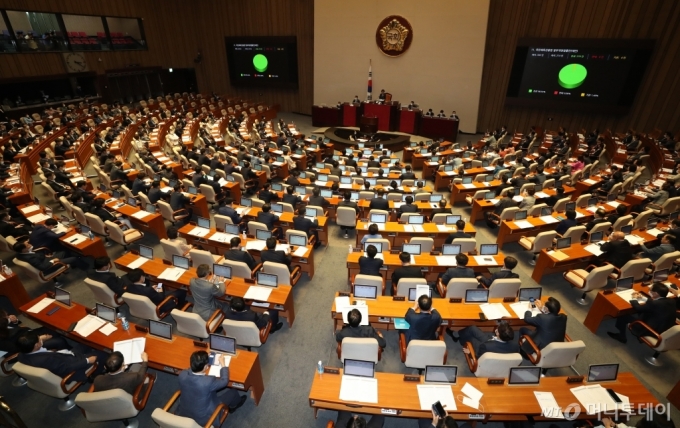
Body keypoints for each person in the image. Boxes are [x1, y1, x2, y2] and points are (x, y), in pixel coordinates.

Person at [177, 351, 247, 426]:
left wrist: (201, 360)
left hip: (184, 413)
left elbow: (189, 370)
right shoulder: (207, 382)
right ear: (205, 367)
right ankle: (234, 405)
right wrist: (223, 365)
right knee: (233, 392)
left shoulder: (182, 374)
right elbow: (225, 381)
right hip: (204, 419)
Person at [16, 330, 106, 382]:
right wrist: (87, 360)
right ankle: (95, 375)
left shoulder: (22, 354)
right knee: (102, 353)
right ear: (36, 345)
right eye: (39, 339)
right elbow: (67, 368)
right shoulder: (47, 359)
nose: (40, 338)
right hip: (74, 367)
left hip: (66, 356)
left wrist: (40, 341)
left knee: (87, 342)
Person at [608, 282, 677, 343]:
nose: (649, 291)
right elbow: (654, 304)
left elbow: (638, 308)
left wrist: (634, 298)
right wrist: (642, 298)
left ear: (655, 293)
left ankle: (621, 337)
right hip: (662, 328)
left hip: (649, 329)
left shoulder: (655, 304)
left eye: (650, 290)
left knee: (623, 315)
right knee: (638, 313)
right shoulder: (671, 301)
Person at [0, 309, 69, 354]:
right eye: (7, 316)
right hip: (30, 345)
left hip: (29, 334)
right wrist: (40, 340)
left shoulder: (2, 326)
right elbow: (19, 349)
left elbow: (16, 328)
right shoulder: (3, 341)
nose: (9, 316)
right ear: (3, 322)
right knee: (59, 341)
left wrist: (15, 322)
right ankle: (69, 352)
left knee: (52, 328)